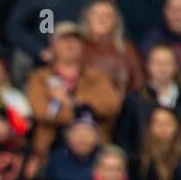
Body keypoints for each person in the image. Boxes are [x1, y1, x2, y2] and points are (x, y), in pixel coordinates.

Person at [25, 23, 123, 160]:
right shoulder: (39, 77)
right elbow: (41, 112)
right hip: (50, 148)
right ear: (53, 45)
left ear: (82, 45)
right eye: (64, 39)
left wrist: (68, 102)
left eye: (75, 39)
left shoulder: (97, 77)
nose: (70, 44)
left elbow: (111, 105)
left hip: (94, 149)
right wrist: (83, 112)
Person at [116, 43, 181, 156]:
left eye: (167, 63)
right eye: (157, 63)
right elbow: (123, 139)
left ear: (176, 66)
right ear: (147, 65)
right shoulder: (134, 101)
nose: (162, 68)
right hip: (144, 168)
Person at [5, 0, 108, 64]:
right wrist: (40, 50)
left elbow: (109, 17)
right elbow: (14, 28)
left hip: (88, 60)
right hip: (47, 63)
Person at [81, 0, 145, 96]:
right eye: (96, 14)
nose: (102, 18)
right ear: (87, 18)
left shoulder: (127, 49)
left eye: (107, 15)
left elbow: (138, 84)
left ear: (115, 21)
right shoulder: (78, 47)